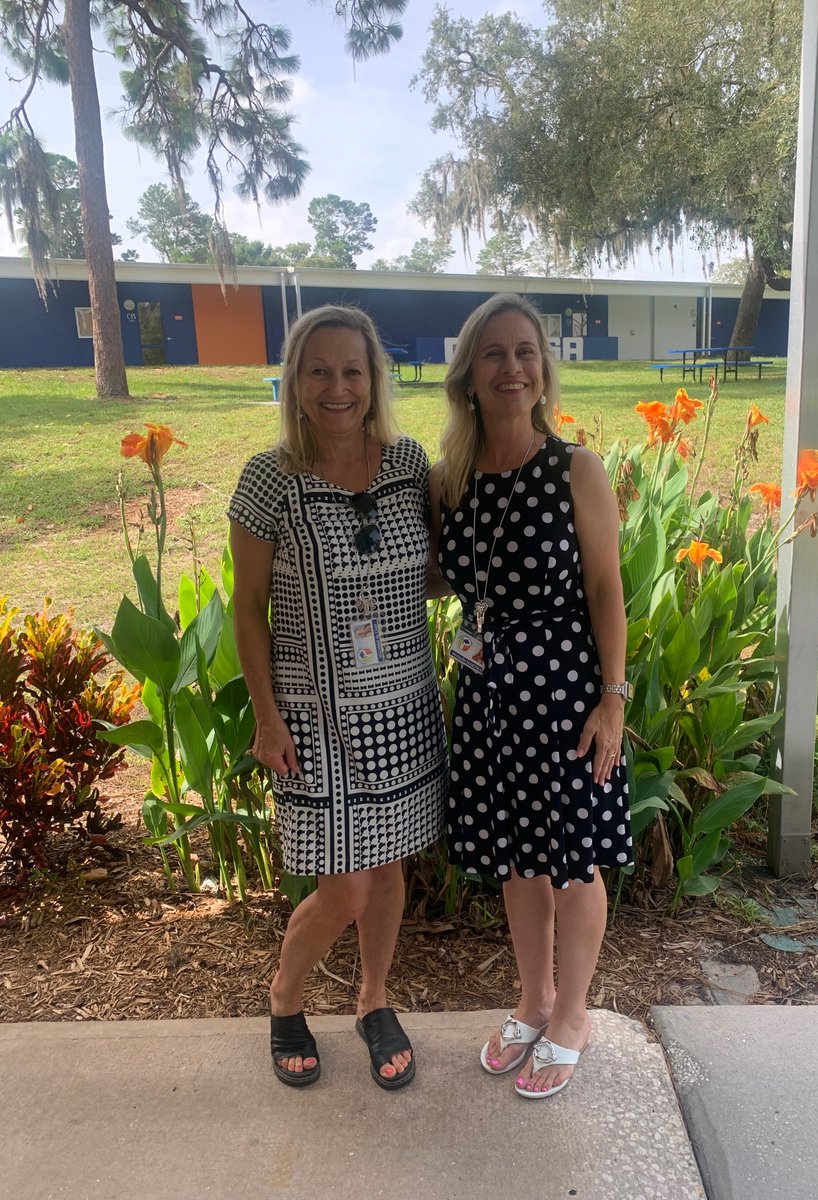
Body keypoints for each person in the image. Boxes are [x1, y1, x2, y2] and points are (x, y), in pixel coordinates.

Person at [229, 305, 448, 1091]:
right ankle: (285, 997)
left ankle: (372, 1000)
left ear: (374, 379)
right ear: (294, 381)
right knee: (344, 884)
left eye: (352, 370)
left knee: (387, 874)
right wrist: (265, 714)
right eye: (318, 370)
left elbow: (436, 565)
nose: (337, 386)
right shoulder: (269, 479)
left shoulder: (407, 464)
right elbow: (246, 605)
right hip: (311, 714)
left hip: (400, 704)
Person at [429, 294, 632, 1099]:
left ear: (542, 369)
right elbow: (443, 573)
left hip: (563, 691)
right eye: (493, 355)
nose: (511, 368)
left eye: (525, 352)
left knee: (574, 859)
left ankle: (574, 1012)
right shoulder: (453, 479)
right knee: (518, 857)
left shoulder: (574, 468)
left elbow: (608, 588)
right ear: (469, 377)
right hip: (486, 696)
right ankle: (532, 998)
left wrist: (612, 699)